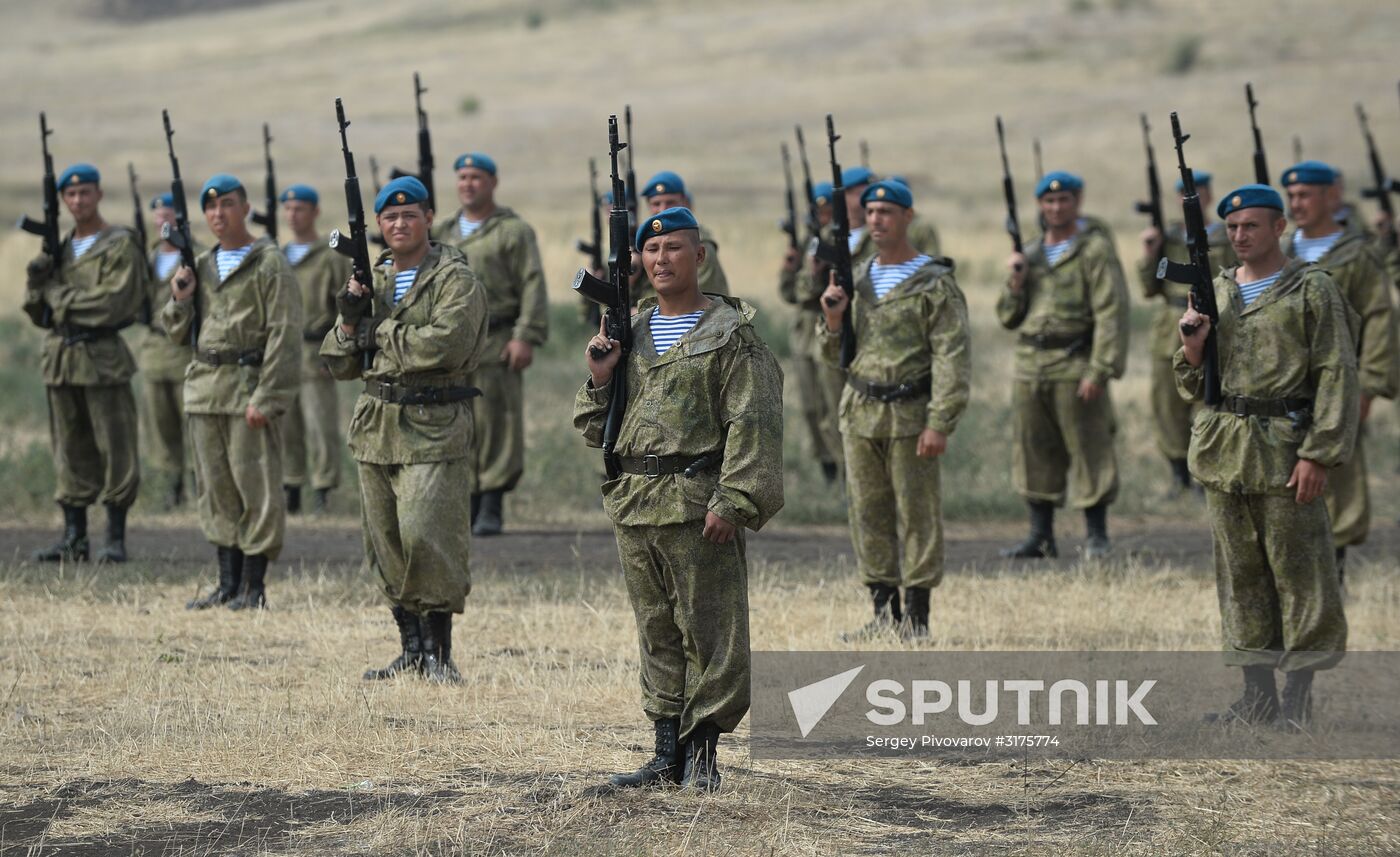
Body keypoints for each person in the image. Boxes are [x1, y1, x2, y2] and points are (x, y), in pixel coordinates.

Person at [575, 207, 783, 792]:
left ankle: (703, 756)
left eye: (674, 249)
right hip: (636, 501)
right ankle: (665, 753)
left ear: (700, 257)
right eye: (652, 250)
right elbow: (596, 427)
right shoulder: (631, 330)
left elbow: (754, 420)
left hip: (697, 503)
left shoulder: (730, 334)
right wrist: (600, 375)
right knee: (657, 630)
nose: (661, 259)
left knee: (709, 632)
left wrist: (735, 497)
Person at [1176, 183, 1355, 727]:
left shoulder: (1312, 290)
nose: (1239, 236)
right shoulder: (1218, 290)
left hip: (1285, 450)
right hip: (1225, 450)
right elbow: (1188, 383)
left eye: (1251, 226)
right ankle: (1257, 696)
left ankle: (1297, 699)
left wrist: (1319, 454)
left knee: (1300, 574)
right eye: (1231, 228)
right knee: (1241, 576)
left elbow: (1335, 372)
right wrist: (1191, 344)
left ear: (1279, 227)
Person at [322, 175, 488, 682]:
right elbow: (338, 361)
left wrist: (380, 331)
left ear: (428, 218)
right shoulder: (373, 279)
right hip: (378, 426)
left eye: (409, 215)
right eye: (390, 217)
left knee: (428, 535)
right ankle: (411, 648)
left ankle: (440, 653)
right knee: (386, 541)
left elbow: (445, 346)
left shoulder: (455, 280)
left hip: (434, 424)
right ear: (378, 225)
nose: (399, 224)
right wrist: (350, 319)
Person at [817, 180, 970, 639]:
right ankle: (883, 612)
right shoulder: (855, 278)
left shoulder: (934, 282)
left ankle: (917, 618)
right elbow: (833, 357)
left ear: (908, 217)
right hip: (860, 412)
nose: (877, 219)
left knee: (917, 515)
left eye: (887, 210)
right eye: (871, 211)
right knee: (868, 513)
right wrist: (832, 319)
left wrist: (940, 420)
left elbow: (951, 356)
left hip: (910, 415)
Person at [165, 173, 301, 611]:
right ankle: (227, 582)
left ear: (245, 208)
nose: (218, 215)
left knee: (256, 486)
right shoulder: (200, 265)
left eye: (227, 205)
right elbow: (174, 332)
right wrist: (180, 298)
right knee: (216, 487)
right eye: (210, 208)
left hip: (246, 388)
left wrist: (268, 395)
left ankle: (254, 587)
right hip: (205, 390)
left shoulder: (269, 262)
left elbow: (284, 333)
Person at [997, 171, 1130, 559]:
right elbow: (1007, 317)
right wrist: (1015, 282)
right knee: (1034, 449)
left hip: (1074, 362)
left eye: (1064, 201)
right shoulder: (1032, 254)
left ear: (1077, 201)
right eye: (1049, 202)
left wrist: (1099, 369)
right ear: (1040, 206)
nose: (1056, 208)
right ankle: (1040, 536)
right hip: (1030, 365)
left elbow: (1111, 311)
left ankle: (1096, 536)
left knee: (1090, 447)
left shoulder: (1093, 250)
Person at [1280, 161, 1398, 581]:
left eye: (1306, 194)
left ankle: (1337, 571)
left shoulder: (1357, 254)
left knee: (1338, 477)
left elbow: (1381, 318)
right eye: (1291, 196)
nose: (1297, 203)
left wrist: (1369, 385)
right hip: (1283, 387)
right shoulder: (1278, 252)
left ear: (1332, 197)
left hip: (1340, 384)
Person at [23, 163, 143, 563]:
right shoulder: (58, 249)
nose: (78, 201)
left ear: (99, 195)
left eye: (85, 193)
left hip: (102, 358)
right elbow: (39, 315)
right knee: (69, 447)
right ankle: (74, 537)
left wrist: (57, 296)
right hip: (61, 358)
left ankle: (115, 538)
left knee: (116, 446)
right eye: (71, 195)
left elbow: (112, 303)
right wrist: (37, 281)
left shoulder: (119, 245)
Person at [431, 153, 548, 537]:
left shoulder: (512, 231)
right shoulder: (444, 231)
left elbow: (532, 283)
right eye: (462, 177)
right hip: (453, 343)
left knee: (498, 421)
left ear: (492, 183)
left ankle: (492, 503)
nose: (468, 183)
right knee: (458, 421)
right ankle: (467, 500)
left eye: (476, 177)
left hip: (497, 340)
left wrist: (525, 335)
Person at [1138, 170, 1238, 492]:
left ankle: (1203, 472)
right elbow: (1149, 289)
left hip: (1213, 320)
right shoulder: (1167, 238)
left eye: (1195, 193)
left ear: (1207, 196)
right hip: (1170, 326)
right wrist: (1149, 254)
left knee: (1206, 403)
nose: (1188, 200)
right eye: (1182, 194)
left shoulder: (1225, 236)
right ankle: (1177, 472)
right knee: (1167, 405)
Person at [278, 183, 350, 514]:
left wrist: (336, 350)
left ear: (315, 212)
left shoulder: (330, 257)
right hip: (283, 353)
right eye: (289, 209)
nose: (293, 215)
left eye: (300, 209)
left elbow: (346, 306)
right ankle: (290, 485)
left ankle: (323, 490)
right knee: (285, 425)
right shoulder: (277, 256)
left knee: (320, 425)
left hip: (316, 350)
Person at [138, 192, 198, 510]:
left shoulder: (194, 255)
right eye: (159, 215)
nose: (164, 221)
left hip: (184, 350)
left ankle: (196, 481)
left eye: (170, 215)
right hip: (152, 351)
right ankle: (169, 486)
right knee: (160, 426)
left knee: (191, 423)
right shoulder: (146, 256)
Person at [780, 180, 842, 482]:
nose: (823, 217)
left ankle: (842, 466)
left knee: (832, 405)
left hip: (825, 326)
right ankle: (826, 463)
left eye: (828, 210)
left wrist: (813, 272)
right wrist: (790, 267)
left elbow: (812, 292)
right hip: (803, 333)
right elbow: (790, 293)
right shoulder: (809, 242)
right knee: (809, 407)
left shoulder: (833, 245)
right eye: (819, 212)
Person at [634, 171, 730, 303]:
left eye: (670, 202)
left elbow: (695, 299)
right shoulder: (646, 242)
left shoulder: (699, 245)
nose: (663, 209)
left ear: (685, 202)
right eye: (656, 204)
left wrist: (639, 311)